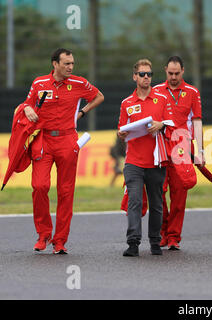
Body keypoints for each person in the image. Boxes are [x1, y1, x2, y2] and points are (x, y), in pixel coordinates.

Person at [22, 48, 104, 254]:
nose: (70, 67)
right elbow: (26, 103)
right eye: (66, 63)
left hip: (68, 139)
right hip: (44, 139)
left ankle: (60, 241)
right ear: (55, 64)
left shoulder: (78, 83)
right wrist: (27, 108)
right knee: (39, 186)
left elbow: (99, 96)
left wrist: (82, 112)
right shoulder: (39, 83)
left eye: (72, 63)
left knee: (66, 192)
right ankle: (43, 234)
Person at [118, 58, 171, 257]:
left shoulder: (162, 99)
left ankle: (155, 242)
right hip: (133, 161)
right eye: (142, 74)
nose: (146, 77)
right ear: (135, 77)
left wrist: (161, 124)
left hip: (156, 160)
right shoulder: (127, 103)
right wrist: (121, 134)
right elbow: (121, 129)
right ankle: (133, 243)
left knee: (157, 203)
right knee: (135, 201)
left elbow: (171, 123)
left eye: (149, 74)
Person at [153, 56, 204, 250]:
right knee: (158, 190)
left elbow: (197, 121)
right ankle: (163, 231)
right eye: (170, 73)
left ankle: (174, 236)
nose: (173, 77)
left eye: (177, 73)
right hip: (161, 145)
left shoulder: (192, 92)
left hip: (182, 146)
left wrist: (200, 150)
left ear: (183, 71)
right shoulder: (156, 90)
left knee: (180, 191)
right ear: (165, 70)